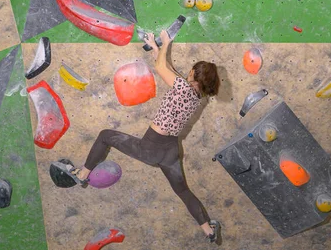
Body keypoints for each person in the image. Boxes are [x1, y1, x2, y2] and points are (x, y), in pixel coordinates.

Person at [71, 30, 222, 245]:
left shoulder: (182, 87)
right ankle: (208, 229)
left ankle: (83, 174)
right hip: (170, 151)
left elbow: (162, 68)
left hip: (151, 148)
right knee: (183, 191)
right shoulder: (197, 97)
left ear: (193, 74)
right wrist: (155, 48)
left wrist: (167, 43)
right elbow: (169, 70)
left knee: (105, 135)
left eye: (190, 71)